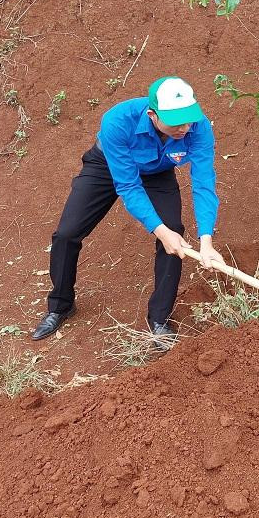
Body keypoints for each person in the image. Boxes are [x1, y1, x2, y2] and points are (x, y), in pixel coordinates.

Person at [31, 76, 224, 343]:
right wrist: (159, 230)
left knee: (174, 232)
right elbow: (128, 186)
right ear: (152, 115)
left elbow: (204, 182)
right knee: (67, 233)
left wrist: (206, 240)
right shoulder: (118, 121)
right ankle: (60, 306)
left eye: (189, 118)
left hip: (157, 172)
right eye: (177, 121)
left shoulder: (198, 127)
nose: (185, 127)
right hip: (109, 167)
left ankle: (159, 319)